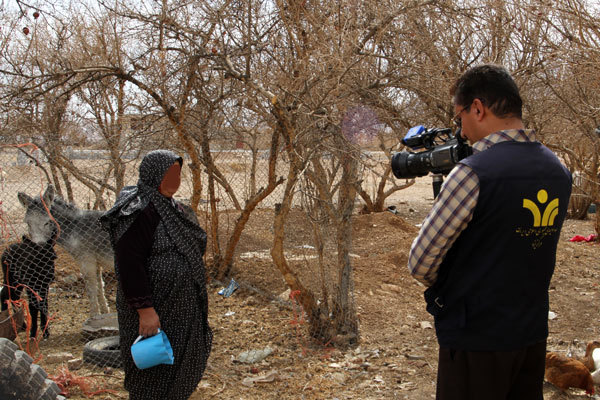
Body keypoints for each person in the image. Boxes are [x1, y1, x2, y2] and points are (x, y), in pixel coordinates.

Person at [407, 64, 572, 400]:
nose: (461, 131)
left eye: (459, 117)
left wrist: (454, 284)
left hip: (476, 339)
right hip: (530, 333)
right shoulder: (558, 170)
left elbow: (421, 263)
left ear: (478, 108)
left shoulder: (472, 174)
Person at [101, 150, 212, 400]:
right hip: (155, 308)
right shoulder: (139, 211)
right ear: (153, 176)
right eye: (168, 175)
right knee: (153, 369)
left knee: (179, 363)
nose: (174, 181)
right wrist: (145, 311)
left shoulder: (172, 207)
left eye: (177, 174)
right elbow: (129, 264)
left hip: (180, 306)